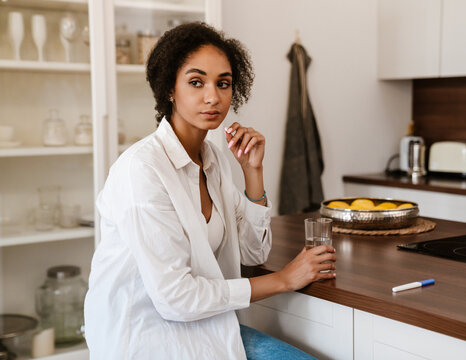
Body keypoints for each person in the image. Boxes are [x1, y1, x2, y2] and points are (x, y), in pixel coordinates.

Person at [84, 22, 336, 359]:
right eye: (196, 82)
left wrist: (253, 172)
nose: (213, 96)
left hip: (204, 326)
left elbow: (252, 253)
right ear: (170, 88)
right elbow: (176, 298)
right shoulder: (141, 170)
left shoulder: (213, 159)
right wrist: (285, 280)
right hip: (142, 336)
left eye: (223, 83)